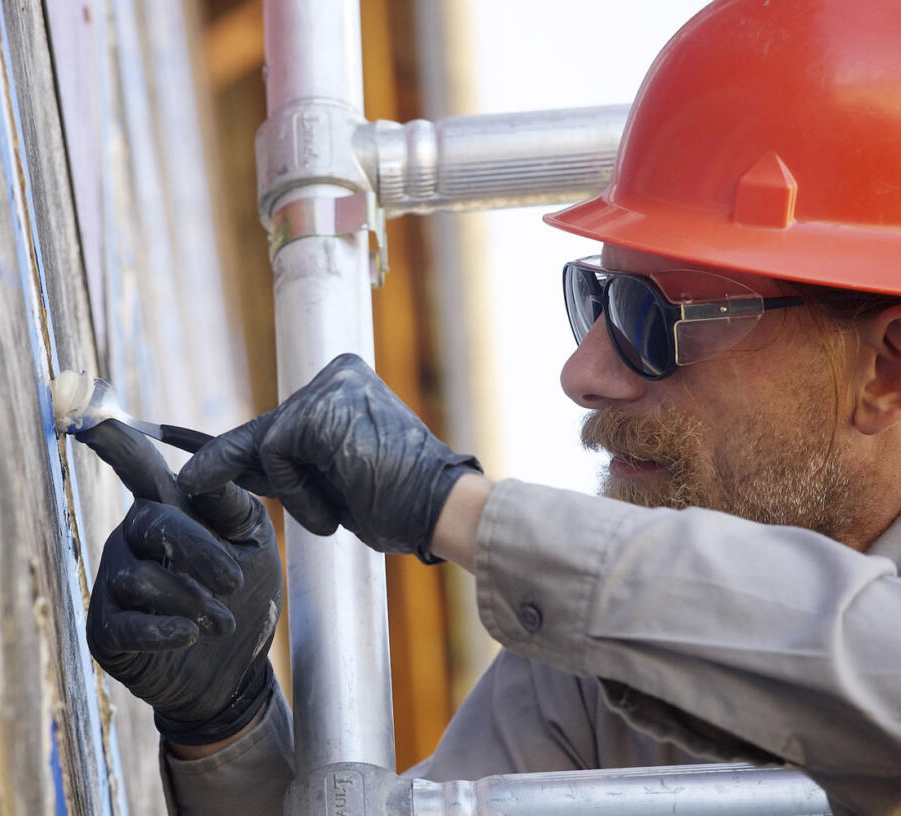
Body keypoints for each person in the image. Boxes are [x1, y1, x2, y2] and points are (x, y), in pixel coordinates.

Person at [80, 0, 901, 813]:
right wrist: (227, 727)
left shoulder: (610, 623)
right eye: (598, 299)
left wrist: (456, 507)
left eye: (654, 318)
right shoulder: (594, 679)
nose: (585, 373)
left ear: (886, 370)